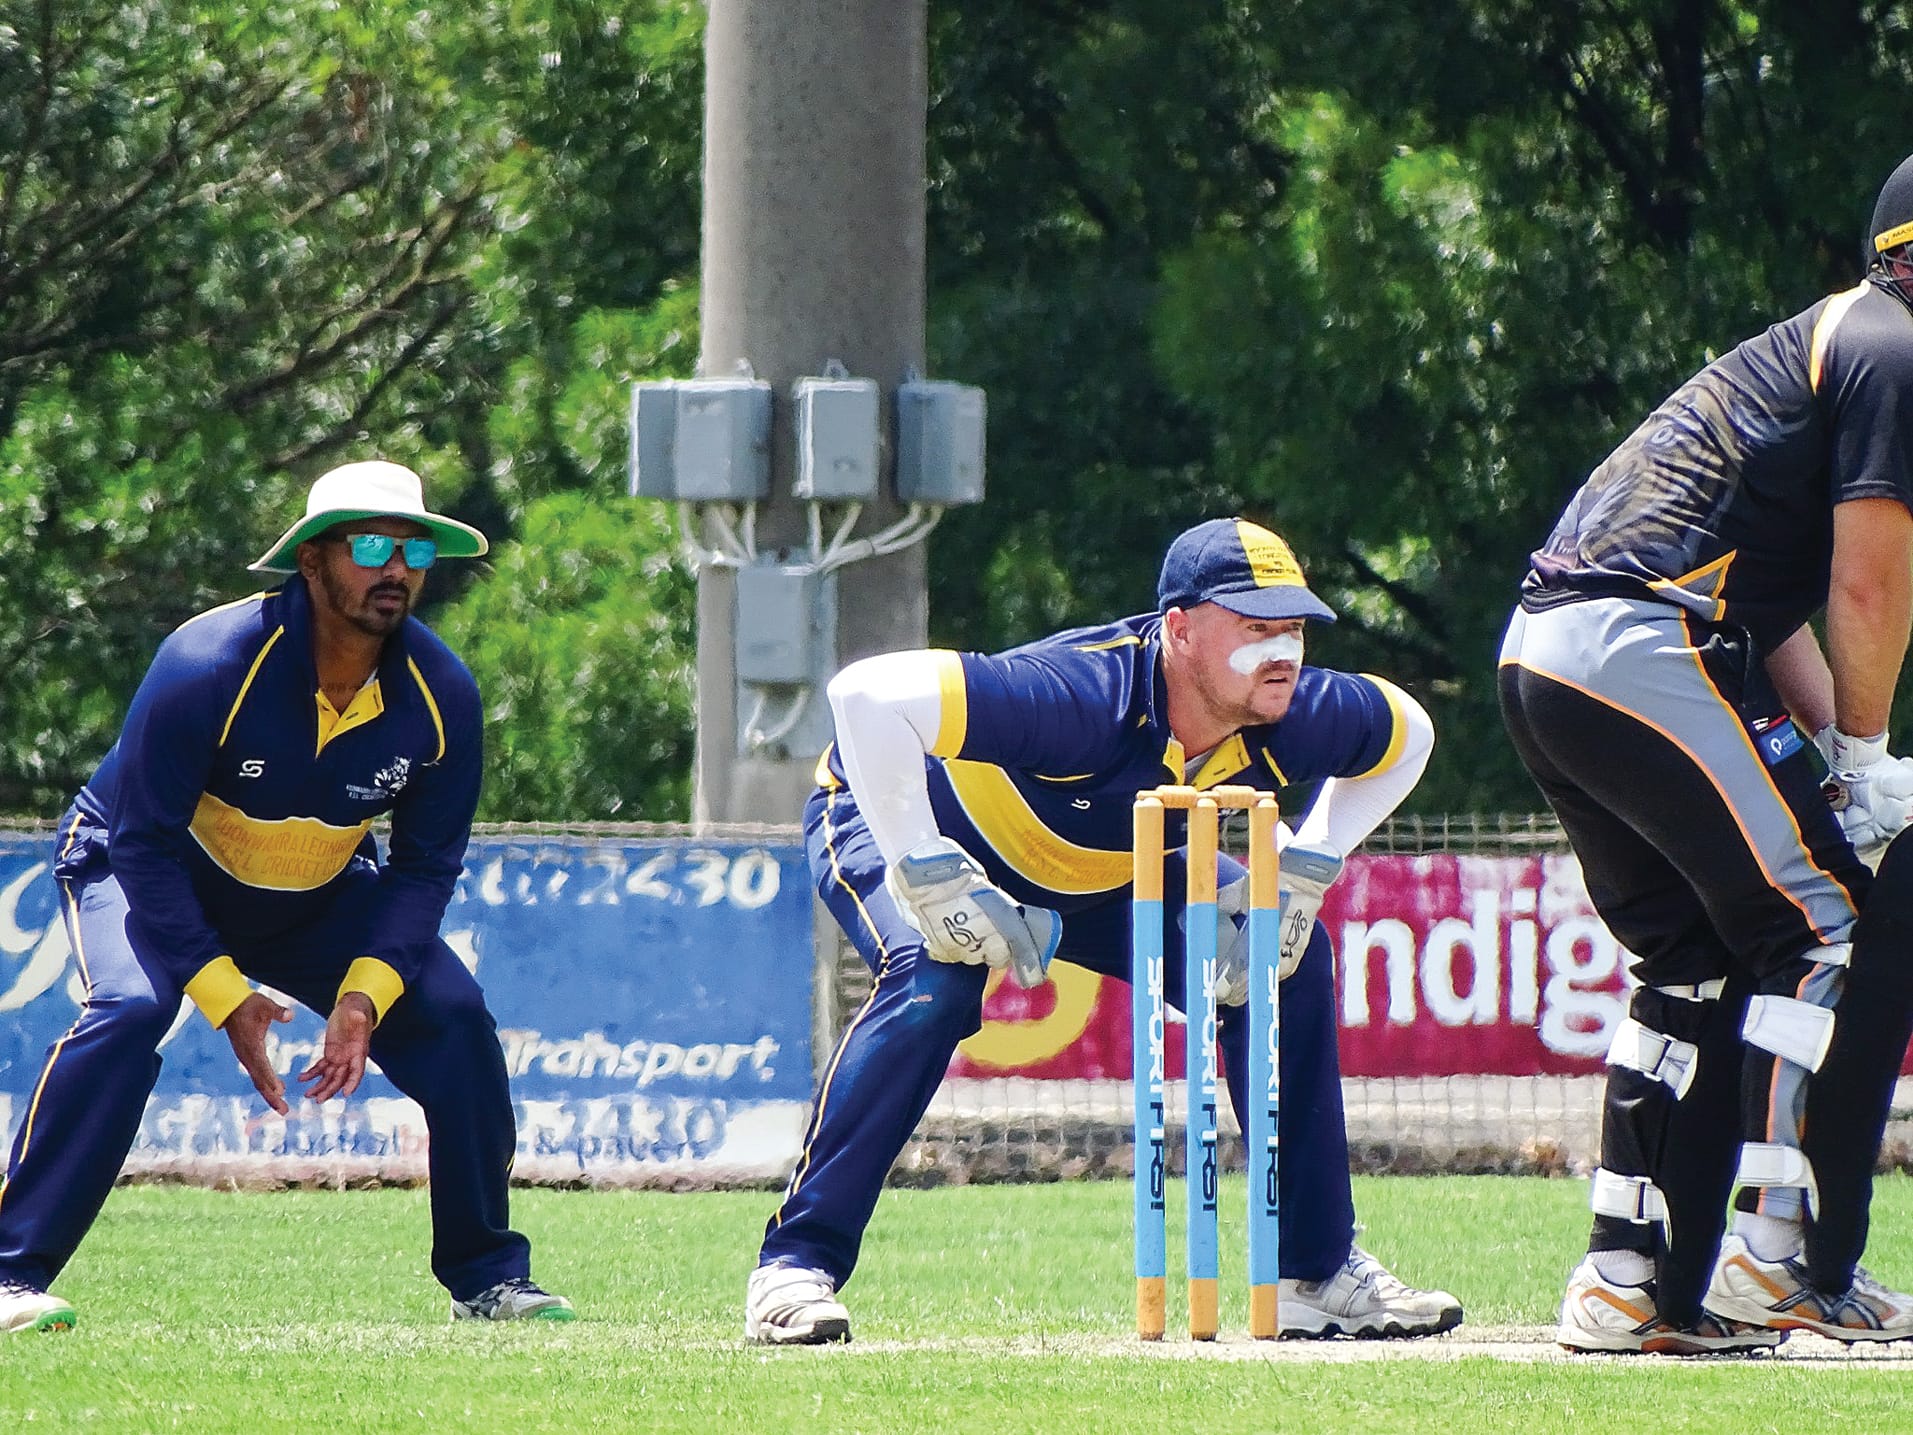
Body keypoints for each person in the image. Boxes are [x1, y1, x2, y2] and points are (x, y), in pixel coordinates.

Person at [744, 515, 1461, 1345]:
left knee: (1281, 960)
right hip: (894, 816)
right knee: (934, 981)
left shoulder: (1292, 709)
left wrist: (1307, 865)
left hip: (1119, 862)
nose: (1284, 652)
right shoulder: (1083, 698)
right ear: (1181, 631)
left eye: (1294, 628)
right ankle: (793, 1266)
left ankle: (1314, 1271)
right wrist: (924, 864)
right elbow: (863, 699)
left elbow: (1409, 732)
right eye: (1256, 627)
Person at [0, 460, 572, 1333]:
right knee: (128, 1009)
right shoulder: (207, 662)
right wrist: (224, 994)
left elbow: (423, 869)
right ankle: (10, 1273)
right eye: (372, 545)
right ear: (312, 562)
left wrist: (360, 999)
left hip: (313, 894)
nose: (397, 568)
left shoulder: (441, 694)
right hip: (145, 865)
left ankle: (487, 1278)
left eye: (414, 548)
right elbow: (145, 843)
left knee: (454, 1019)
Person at [1499, 155, 1913, 1355]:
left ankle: (1621, 1279)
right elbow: (1867, 581)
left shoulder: (1818, 348)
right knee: (1822, 916)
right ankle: (1770, 1256)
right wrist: (1871, 752)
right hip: (1641, 641)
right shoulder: (1891, 347)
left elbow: (1772, 602)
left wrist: (1831, 753)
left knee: (1682, 954)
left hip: (1547, 653)